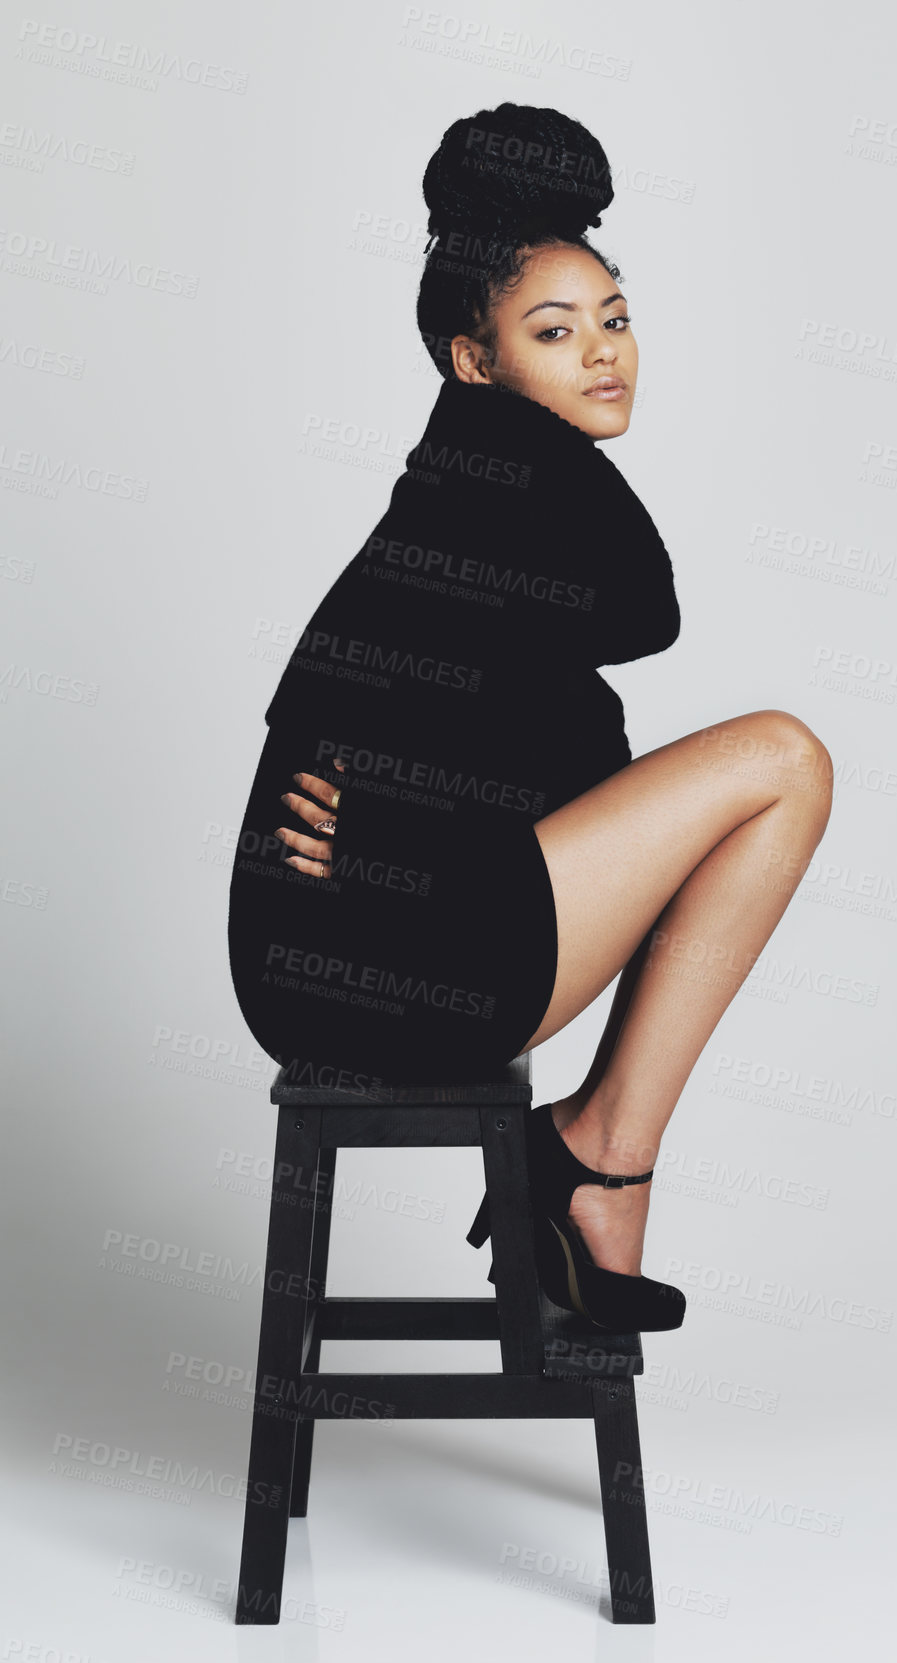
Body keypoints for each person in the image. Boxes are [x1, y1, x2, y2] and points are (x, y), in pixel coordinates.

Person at [226, 103, 834, 1333]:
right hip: (386, 956)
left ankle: (599, 1159)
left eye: (614, 319)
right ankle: (601, 1161)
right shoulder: (489, 461)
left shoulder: (471, 469)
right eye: (555, 332)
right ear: (474, 357)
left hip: (376, 936)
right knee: (783, 760)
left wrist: (387, 820)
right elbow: (641, 609)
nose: (603, 353)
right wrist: (381, 836)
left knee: (768, 776)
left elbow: (521, 666)